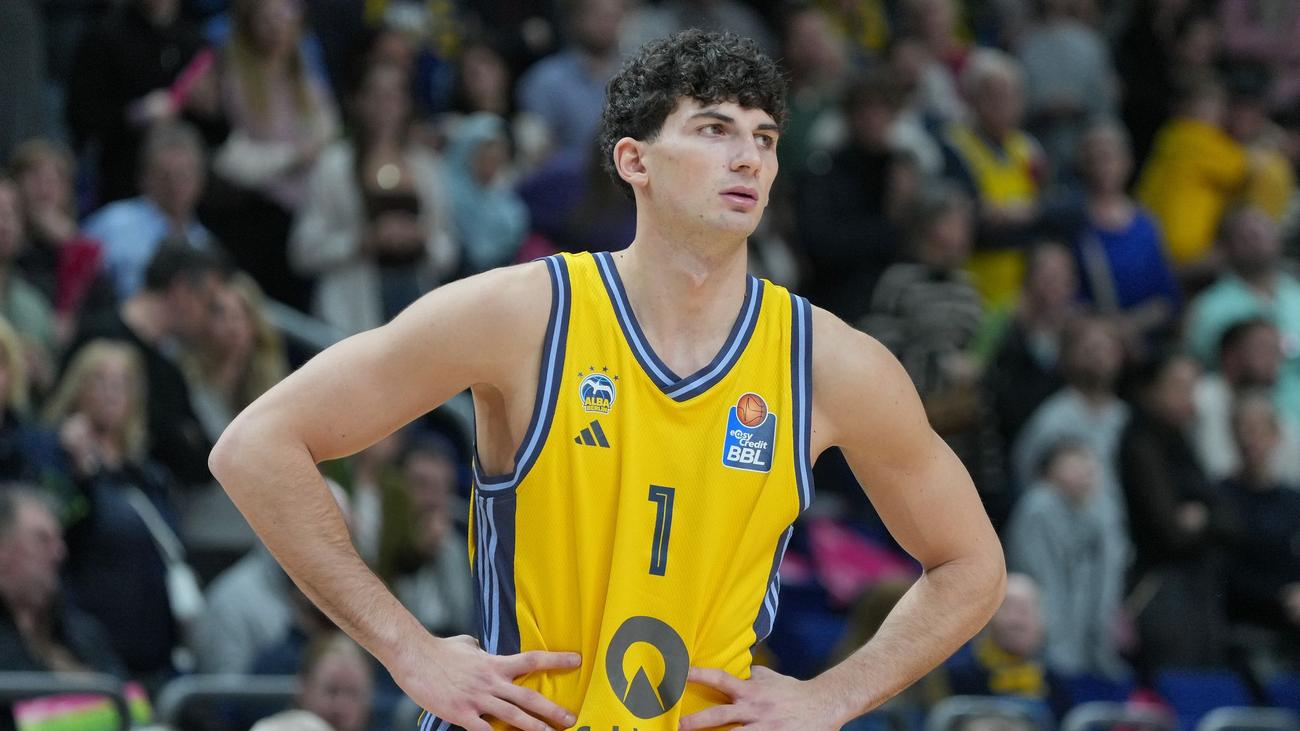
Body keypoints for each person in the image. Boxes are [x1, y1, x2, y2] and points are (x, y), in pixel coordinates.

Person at [211, 30, 1005, 731]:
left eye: (764, 138)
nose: (749, 158)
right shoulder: (524, 314)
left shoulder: (829, 362)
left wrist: (832, 697)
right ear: (635, 160)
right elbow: (256, 446)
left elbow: (972, 566)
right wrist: (407, 649)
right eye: (715, 129)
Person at [290, 61, 459, 334]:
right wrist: (362, 241)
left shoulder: (425, 166)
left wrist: (422, 238)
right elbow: (303, 251)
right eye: (375, 95)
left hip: (415, 303)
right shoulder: (334, 165)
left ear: (406, 103)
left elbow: (448, 248)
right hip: (351, 307)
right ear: (359, 101)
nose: (385, 106)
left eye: (393, 96)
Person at [69, 243, 229, 489]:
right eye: (208, 304)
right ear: (181, 290)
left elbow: (203, 462)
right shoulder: (98, 336)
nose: (209, 320)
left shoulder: (170, 374)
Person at [1004, 441, 1128, 678]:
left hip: (1089, 634)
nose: (1084, 472)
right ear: (1049, 472)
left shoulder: (1099, 506)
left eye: (1088, 465)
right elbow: (1044, 581)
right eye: (1073, 465)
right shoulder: (1038, 507)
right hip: (1049, 635)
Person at [81, 123, 215, 300]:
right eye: (164, 175)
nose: (174, 185)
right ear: (145, 178)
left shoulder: (204, 245)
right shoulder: (113, 222)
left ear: (200, 181)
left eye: (183, 175)